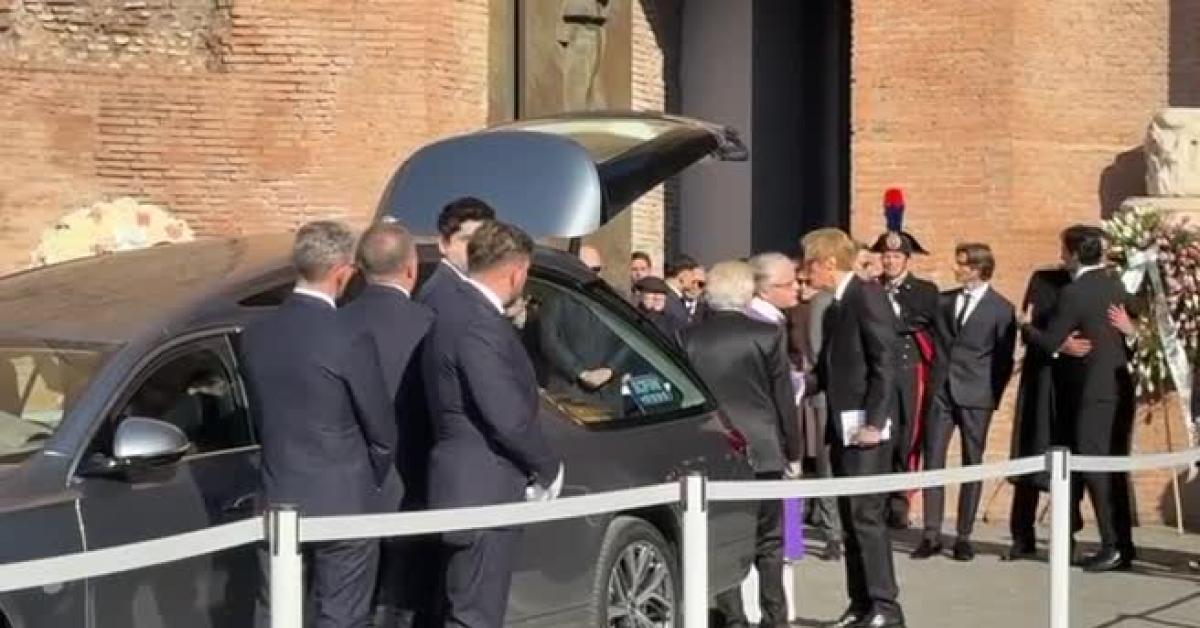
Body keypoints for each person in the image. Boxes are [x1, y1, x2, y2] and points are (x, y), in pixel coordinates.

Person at [241, 221, 399, 628]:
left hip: (277, 491)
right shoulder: (348, 335)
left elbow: (262, 414)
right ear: (342, 272)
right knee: (341, 615)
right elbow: (381, 429)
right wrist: (369, 478)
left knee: (276, 610)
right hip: (344, 498)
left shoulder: (256, 334)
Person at [423, 220, 564, 627]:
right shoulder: (477, 323)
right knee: (475, 614)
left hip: (472, 484)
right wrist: (547, 466)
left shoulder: (459, 310)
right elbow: (505, 414)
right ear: (517, 272)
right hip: (482, 487)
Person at [681, 260, 801, 628]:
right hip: (763, 445)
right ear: (747, 293)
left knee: (723, 537)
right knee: (770, 540)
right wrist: (793, 450)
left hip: (712, 445)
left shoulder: (687, 337)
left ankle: (733, 618)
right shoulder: (768, 334)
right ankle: (775, 616)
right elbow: (782, 398)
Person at [1021, 225, 1137, 572]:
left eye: (1063, 249)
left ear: (1073, 254)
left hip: (1090, 393)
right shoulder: (1115, 284)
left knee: (1093, 465)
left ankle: (1111, 545)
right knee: (1112, 466)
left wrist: (1026, 327)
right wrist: (1130, 331)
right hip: (1117, 390)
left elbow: (1052, 338)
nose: (1061, 255)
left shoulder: (1074, 293)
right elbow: (1135, 315)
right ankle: (1122, 543)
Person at [802, 228, 903, 628]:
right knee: (850, 517)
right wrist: (799, 384)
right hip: (843, 426)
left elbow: (885, 363)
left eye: (809, 264)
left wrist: (875, 422)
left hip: (867, 428)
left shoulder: (867, 296)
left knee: (867, 517)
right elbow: (831, 368)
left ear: (828, 263)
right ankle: (860, 603)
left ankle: (885, 607)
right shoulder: (837, 305)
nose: (805, 273)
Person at [338, 222, 437, 627]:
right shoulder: (430, 324)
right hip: (415, 482)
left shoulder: (335, 324)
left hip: (345, 489)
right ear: (411, 269)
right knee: (405, 604)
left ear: (360, 269)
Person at [911, 243, 1016, 562]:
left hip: (976, 395)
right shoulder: (945, 301)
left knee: (972, 462)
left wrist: (991, 395)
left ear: (978, 269)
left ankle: (964, 535)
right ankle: (931, 533)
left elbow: (1004, 359)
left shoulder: (1001, 309)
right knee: (934, 461)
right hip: (941, 392)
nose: (956, 269)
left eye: (962, 264)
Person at [870, 188, 939, 529]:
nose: (890, 262)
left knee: (907, 434)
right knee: (880, 433)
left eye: (896, 257)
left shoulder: (924, 290)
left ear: (907, 260)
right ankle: (878, 499)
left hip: (908, 370)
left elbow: (920, 321)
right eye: (885, 256)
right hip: (877, 370)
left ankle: (901, 502)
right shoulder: (869, 288)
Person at [1004, 265, 1074, 560]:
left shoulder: (1096, 282)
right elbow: (1028, 324)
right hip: (1040, 382)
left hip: (1073, 383)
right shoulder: (1044, 280)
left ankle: (1066, 537)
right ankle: (1022, 534)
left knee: (1070, 463)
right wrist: (1050, 340)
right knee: (1030, 454)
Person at [785, 266, 842, 561]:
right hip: (794, 395)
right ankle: (793, 537)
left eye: (808, 281)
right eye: (799, 281)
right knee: (792, 466)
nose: (803, 287)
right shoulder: (786, 313)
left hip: (820, 395)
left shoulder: (828, 306)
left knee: (824, 466)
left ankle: (833, 536)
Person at [538, 245, 627, 397]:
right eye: (584, 269)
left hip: (608, 391)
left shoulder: (616, 299)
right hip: (569, 389)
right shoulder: (556, 299)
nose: (590, 274)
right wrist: (580, 372)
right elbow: (549, 340)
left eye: (596, 269)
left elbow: (629, 340)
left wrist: (610, 368)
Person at [417, 196, 496, 310]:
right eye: (467, 239)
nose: (477, 247)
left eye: (483, 239)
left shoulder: (472, 291)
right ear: (443, 244)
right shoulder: (441, 297)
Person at [634, 275, 682, 342]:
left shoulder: (674, 323)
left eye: (662, 293)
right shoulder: (630, 315)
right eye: (653, 292)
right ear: (639, 294)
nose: (658, 297)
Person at [664, 255, 700, 327]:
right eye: (693, 275)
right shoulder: (665, 298)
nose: (696, 279)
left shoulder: (676, 297)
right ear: (683, 274)